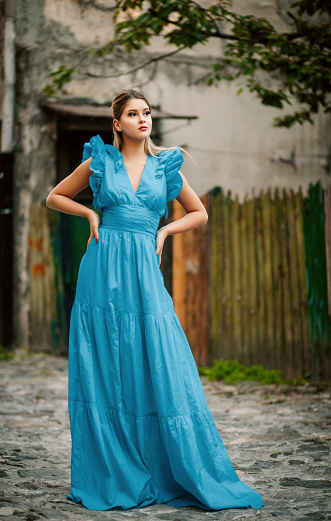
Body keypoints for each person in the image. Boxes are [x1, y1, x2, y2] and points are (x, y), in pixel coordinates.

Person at [46, 88, 264, 512]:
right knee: (106, 364)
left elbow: (198, 211)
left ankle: (171, 463)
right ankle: (114, 467)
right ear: (117, 123)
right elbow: (55, 196)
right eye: (133, 113)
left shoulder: (166, 168)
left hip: (144, 272)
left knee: (160, 358)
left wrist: (164, 231)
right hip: (101, 270)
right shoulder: (100, 161)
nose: (143, 119)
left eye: (146, 112)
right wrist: (90, 213)